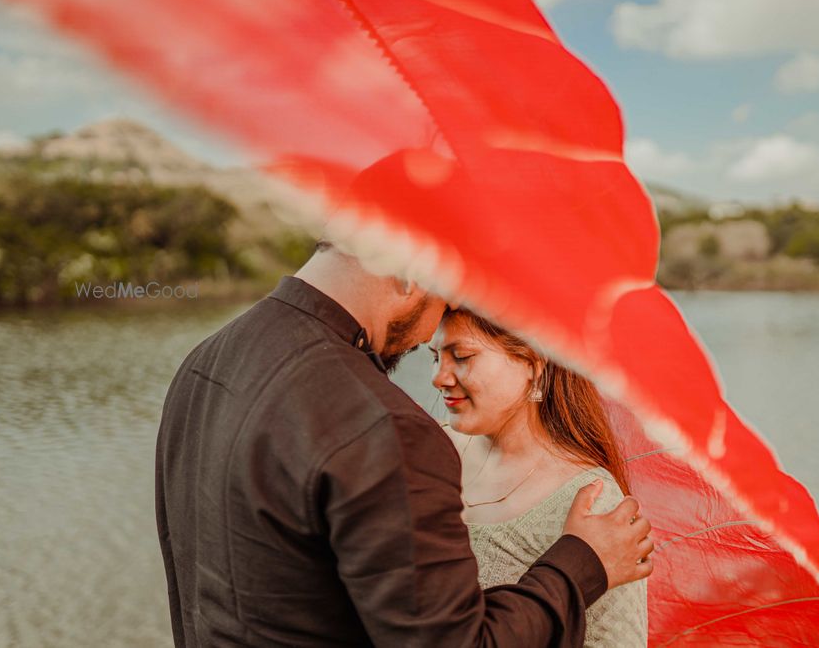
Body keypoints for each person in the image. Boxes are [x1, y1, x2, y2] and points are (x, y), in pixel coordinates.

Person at [155, 242, 654, 647]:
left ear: (536, 362)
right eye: (441, 300)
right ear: (409, 274)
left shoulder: (205, 364)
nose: (430, 362)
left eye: (461, 354)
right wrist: (578, 568)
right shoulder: (384, 428)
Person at [430, 308, 649, 647]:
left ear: (532, 364)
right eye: (435, 357)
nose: (439, 377)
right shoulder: (429, 452)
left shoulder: (591, 498)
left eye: (461, 357)